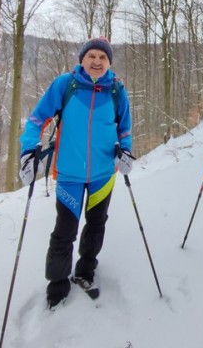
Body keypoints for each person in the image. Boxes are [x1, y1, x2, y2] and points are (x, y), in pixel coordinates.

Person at [18, 37, 132, 308]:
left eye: (103, 57)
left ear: (109, 63)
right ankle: (57, 284)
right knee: (64, 230)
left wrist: (126, 151)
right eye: (92, 56)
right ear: (82, 59)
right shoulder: (65, 84)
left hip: (104, 174)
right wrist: (28, 151)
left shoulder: (116, 90)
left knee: (96, 224)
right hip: (69, 174)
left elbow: (125, 128)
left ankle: (85, 271)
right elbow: (36, 119)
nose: (97, 61)